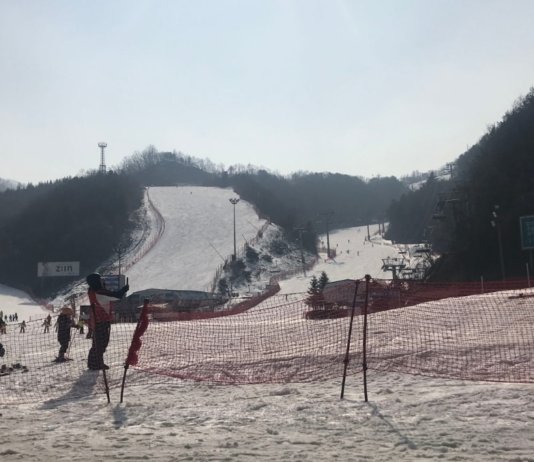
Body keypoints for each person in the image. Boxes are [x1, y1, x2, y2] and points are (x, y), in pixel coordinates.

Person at [86, 273, 129, 370]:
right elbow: (117, 296)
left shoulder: (92, 291)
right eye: (100, 280)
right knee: (101, 343)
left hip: (97, 320)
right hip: (102, 320)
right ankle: (95, 364)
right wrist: (124, 289)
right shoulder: (100, 292)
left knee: (97, 343)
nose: (102, 281)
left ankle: (95, 363)